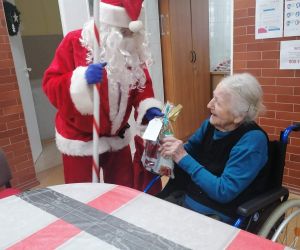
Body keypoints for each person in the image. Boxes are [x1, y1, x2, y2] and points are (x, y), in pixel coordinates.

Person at [42, 0, 163, 191]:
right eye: (124, 32)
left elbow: (142, 84)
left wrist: (148, 107)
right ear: (109, 26)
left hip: (118, 136)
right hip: (79, 138)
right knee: (82, 195)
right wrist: (81, 80)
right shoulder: (76, 42)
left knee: (123, 191)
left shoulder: (131, 50)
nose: (129, 37)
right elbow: (50, 84)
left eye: (133, 33)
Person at [158, 73, 270, 223]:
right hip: (185, 198)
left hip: (215, 214)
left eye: (217, 102)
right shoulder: (210, 125)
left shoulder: (253, 141)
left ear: (238, 116)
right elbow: (188, 152)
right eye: (213, 98)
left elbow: (223, 191)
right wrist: (166, 151)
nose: (209, 105)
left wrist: (183, 157)